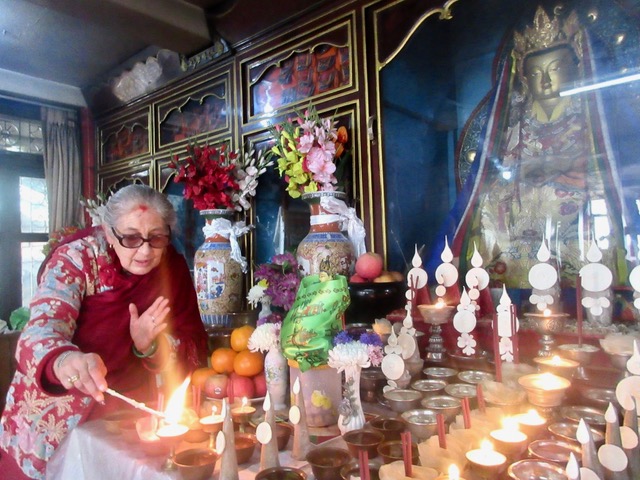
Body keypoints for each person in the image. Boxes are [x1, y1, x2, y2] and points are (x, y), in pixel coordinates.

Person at [0, 185, 208, 479]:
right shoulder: (76, 259)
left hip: (127, 410)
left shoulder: (172, 268)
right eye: (131, 238)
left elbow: (191, 343)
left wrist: (148, 346)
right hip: (62, 402)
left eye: (156, 238)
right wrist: (64, 360)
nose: (145, 251)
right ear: (109, 233)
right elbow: (41, 330)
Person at [449, 6, 630, 292]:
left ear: (576, 69)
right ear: (524, 79)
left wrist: (555, 168)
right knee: (492, 201)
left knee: (577, 201)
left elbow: (600, 164)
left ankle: (578, 283)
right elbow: (504, 167)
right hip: (522, 197)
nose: (545, 80)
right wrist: (523, 172)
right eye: (536, 73)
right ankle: (503, 279)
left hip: (574, 196)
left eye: (555, 69)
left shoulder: (588, 113)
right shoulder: (517, 119)